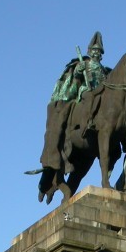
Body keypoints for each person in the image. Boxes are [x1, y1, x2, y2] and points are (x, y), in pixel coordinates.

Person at [40, 32, 111, 176]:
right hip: (86, 91)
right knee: (90, 96)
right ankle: (89, 121)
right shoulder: (84, 64)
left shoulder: (103, 70)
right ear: (90, 52)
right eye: (94, 50)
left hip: (101, 93)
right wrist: (79, 70)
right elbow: (77, 77)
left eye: (99, 51)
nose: (96, 53)